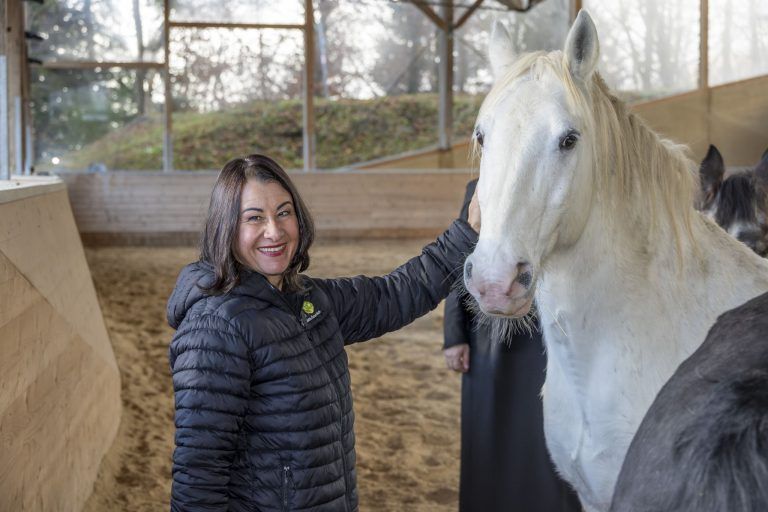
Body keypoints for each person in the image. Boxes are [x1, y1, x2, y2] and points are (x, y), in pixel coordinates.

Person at [167, 154, 479, 511]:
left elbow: (394, 295)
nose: (274, 230)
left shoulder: (307, 300)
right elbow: (199, 477)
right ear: (225, 227)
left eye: (284, 212)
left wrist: (467, 233)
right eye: (254, 218)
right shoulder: (216, 327)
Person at [443, 179, 582, 512]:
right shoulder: (481, 187)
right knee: (492, 431)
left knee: (550, 433)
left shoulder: (566, 182)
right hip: (491, 332)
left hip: (556, 331)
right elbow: (460, 256)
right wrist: (455, 334)